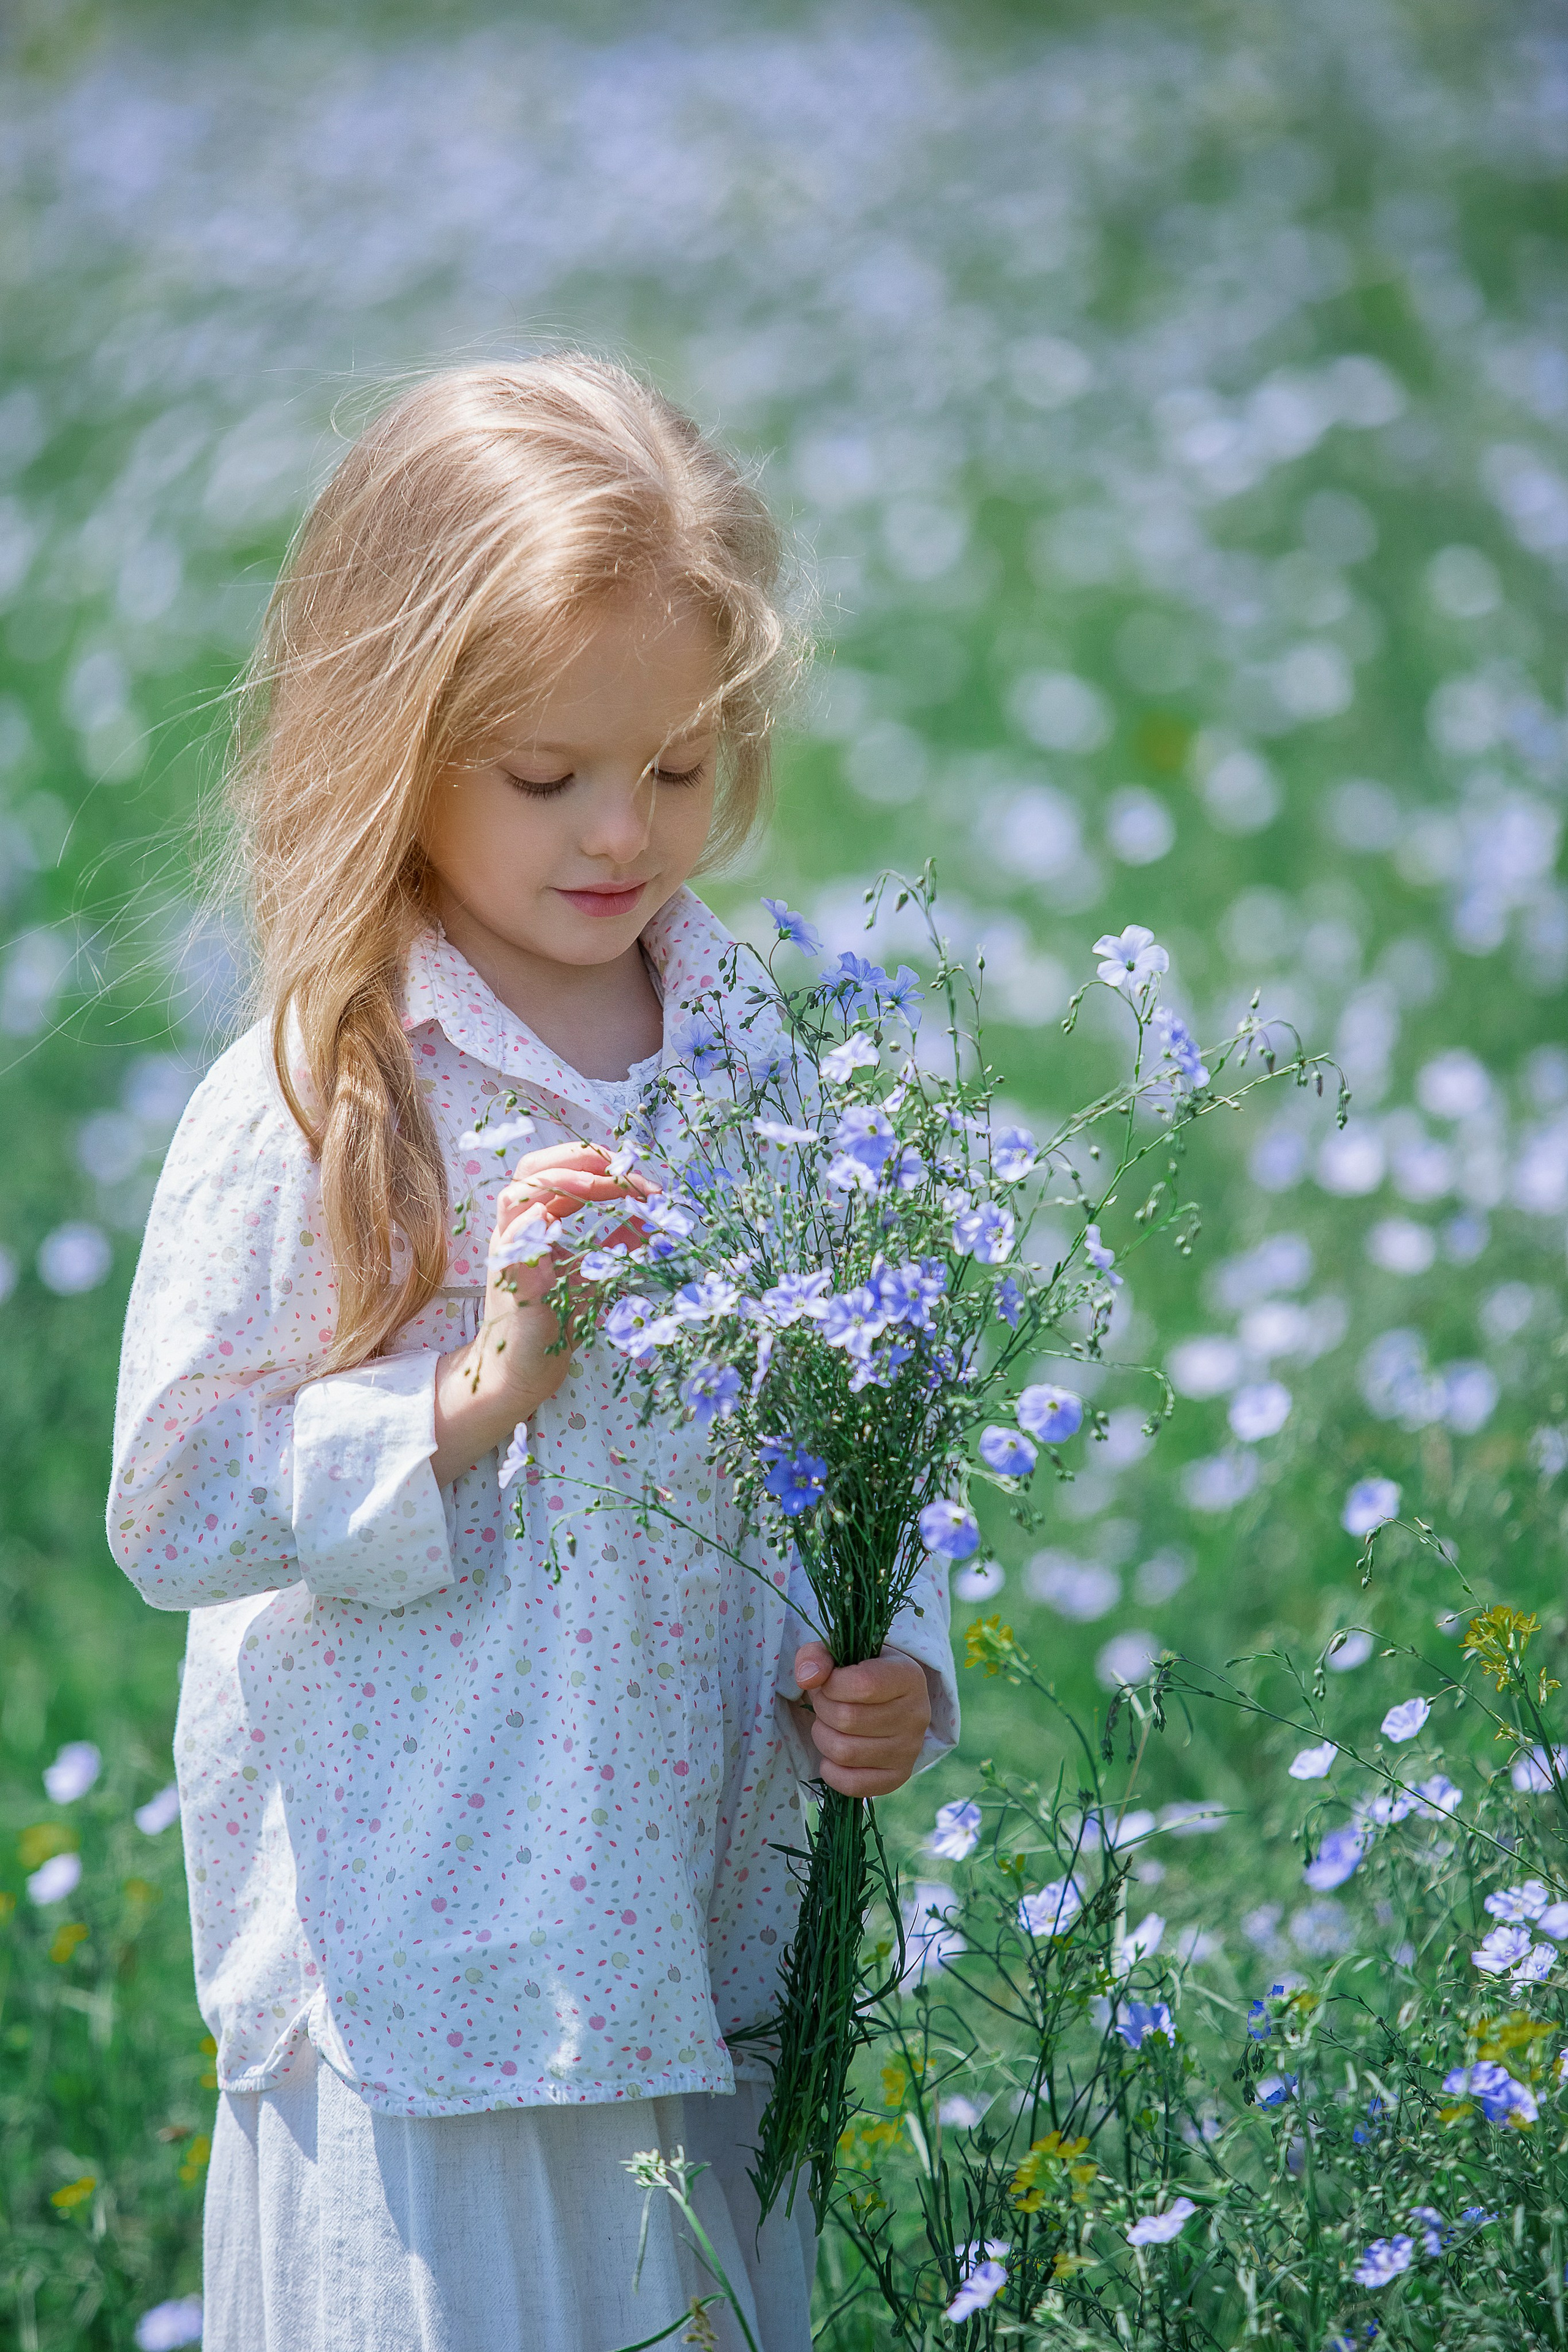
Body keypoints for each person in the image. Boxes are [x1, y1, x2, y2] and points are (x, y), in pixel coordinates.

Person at [108, 356, 959, 2352]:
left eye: (674, 769)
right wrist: (474, 1390)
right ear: (395, 744)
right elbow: (172, 1509)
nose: (622, 832)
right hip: (438, 1946)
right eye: (547, 773)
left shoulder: (755, 1055)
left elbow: (849, 1420)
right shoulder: (327, 1090)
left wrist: (898, 1657)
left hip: (696, 1901)